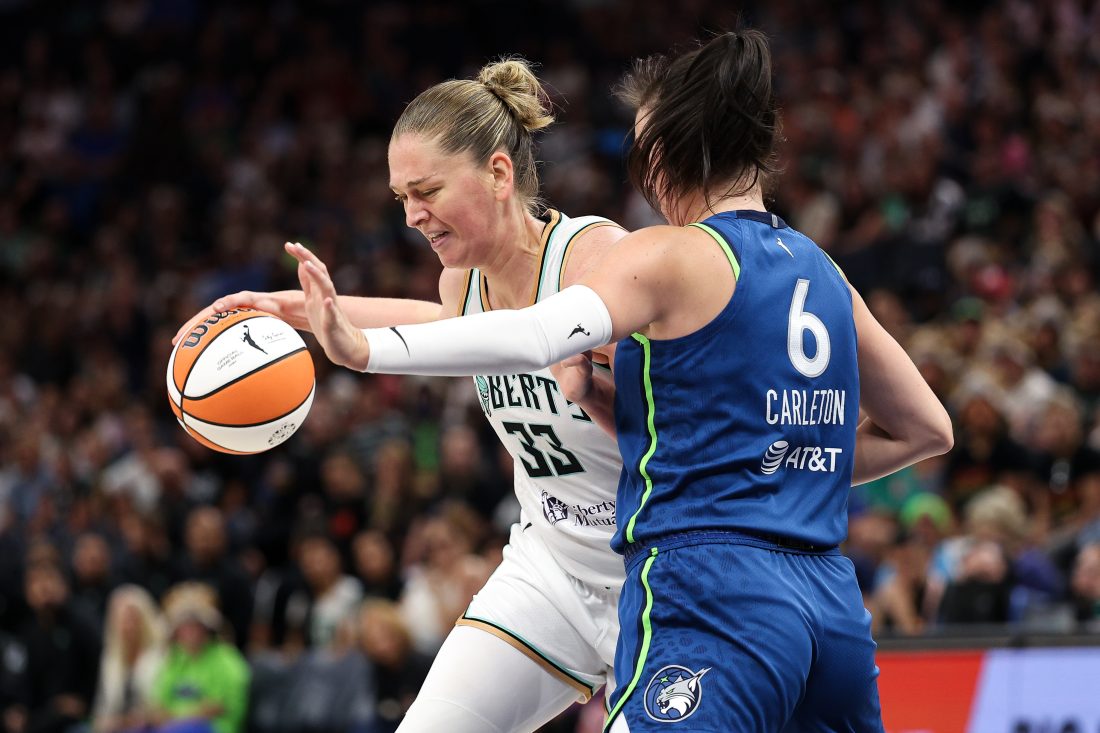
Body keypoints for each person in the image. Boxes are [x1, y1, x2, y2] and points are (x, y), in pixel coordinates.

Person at [291, 30, 954, 731]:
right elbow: (927, 429)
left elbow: (534, 334)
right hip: (824, 600)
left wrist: (362, 349)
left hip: (708, 585)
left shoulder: (668, 254)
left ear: (666, 153)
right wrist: (766, 462)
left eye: (641, 149)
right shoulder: (823, 270)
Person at [177, 59, 628, 731]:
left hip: (657, 570)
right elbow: (439, 324)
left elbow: (683, 429)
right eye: (401, 199)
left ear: (498, 174)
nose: (413, 216)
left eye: (428, 191)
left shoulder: (595, 259)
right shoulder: (463, 282)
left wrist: (592, 392)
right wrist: (294, 308)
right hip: (554, 569)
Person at [92, 585, 167, 733]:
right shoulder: (110, 658)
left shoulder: (161, 655)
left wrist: (135, 719)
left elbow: (163, 705)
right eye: (121, 618)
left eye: (132, 617)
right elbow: (103, 707)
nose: (127, 625)